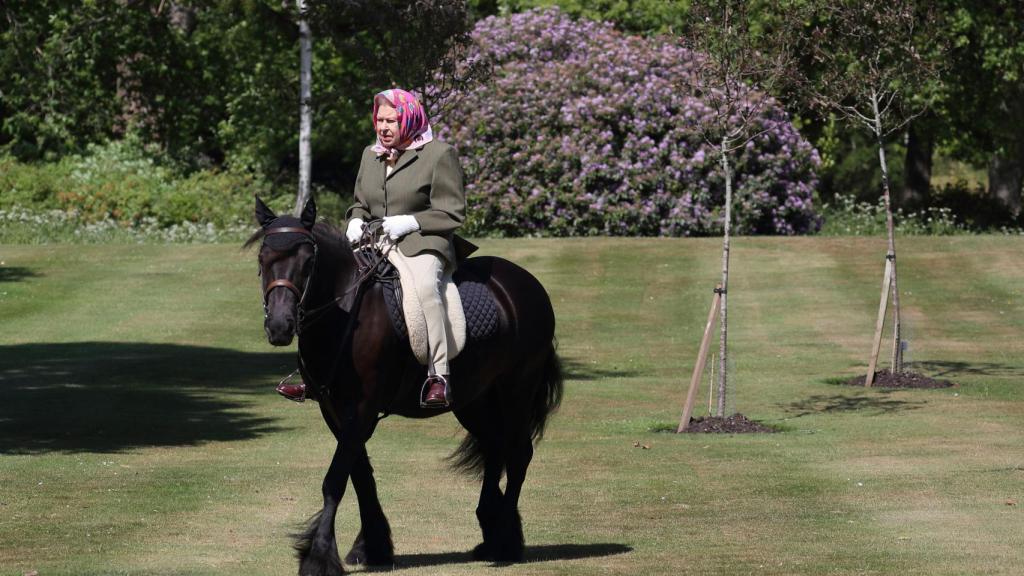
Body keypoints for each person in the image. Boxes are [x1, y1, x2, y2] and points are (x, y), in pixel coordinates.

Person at [279, 88, 470, 407]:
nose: (383, 127)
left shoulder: (439, 154)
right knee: (327, 283)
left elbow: (452, 212)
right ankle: (313, 374)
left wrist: (411, 222)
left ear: (408, 118)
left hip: (421, 242)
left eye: (391, 121)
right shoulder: (371, 154)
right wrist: (354, 220)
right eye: (379, 120)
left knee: (424, 289)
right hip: (374, 241)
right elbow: (360, 204)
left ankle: (438, 376)